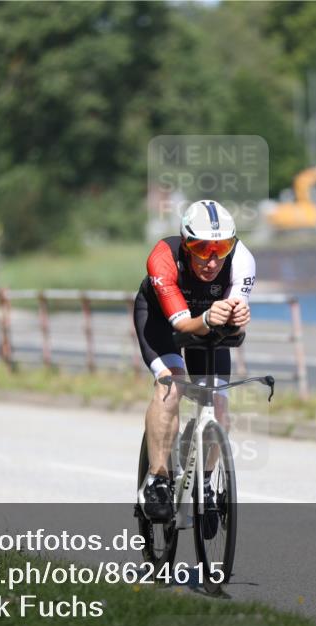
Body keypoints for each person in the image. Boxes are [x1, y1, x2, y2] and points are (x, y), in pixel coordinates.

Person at [134, 200, 255, 521]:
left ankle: (205, 483)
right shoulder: (163, 258)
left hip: (208, 321)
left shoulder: (242, 259)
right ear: (186, 244)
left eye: (221, 248)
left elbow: (233, 321)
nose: (212, 260)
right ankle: (158, 478)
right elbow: (183, 326)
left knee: (219, 403)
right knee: (171, 385)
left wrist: (237, 319)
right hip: (161, 320)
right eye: (202, 249)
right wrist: (211, 318)